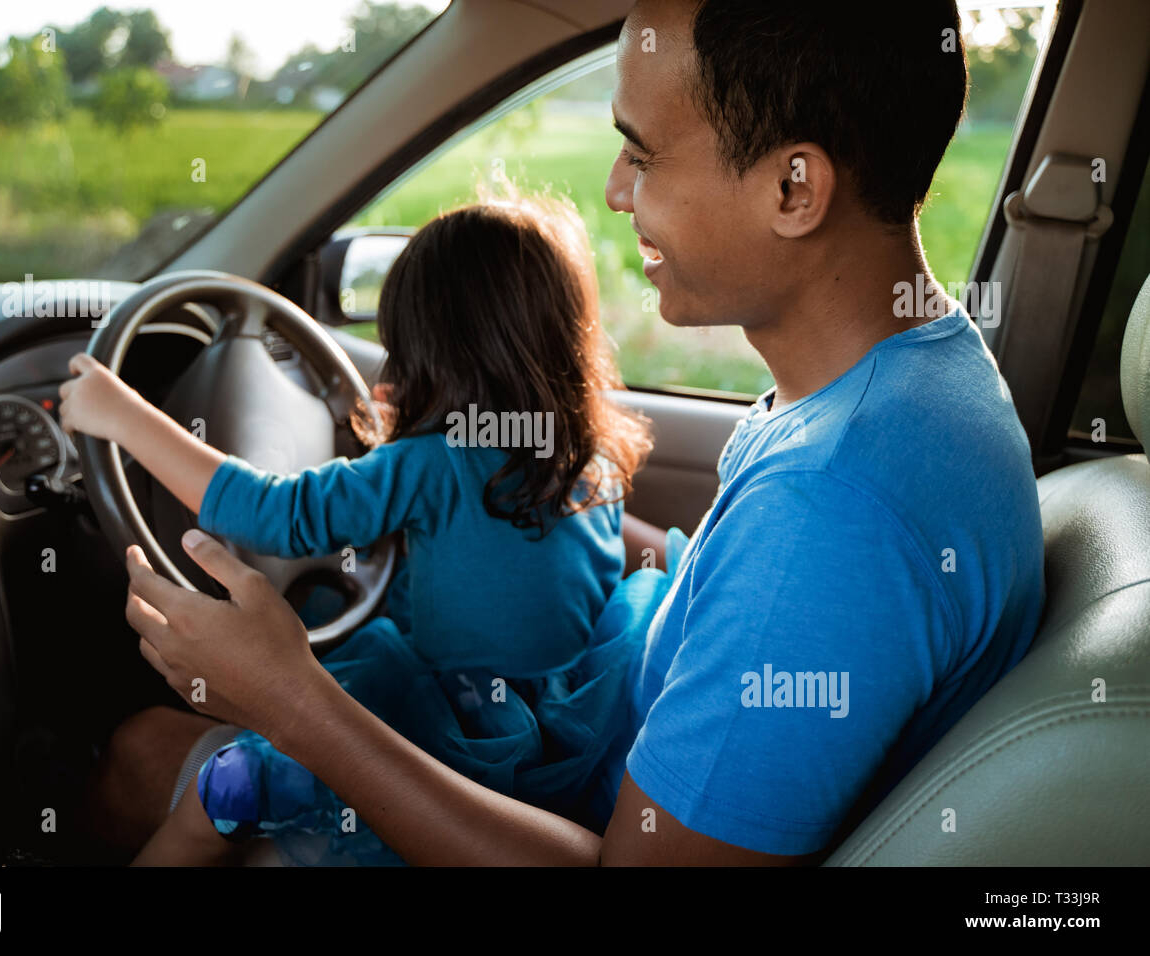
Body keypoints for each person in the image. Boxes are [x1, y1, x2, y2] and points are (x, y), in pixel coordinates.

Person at [88, 0, 1045, 865]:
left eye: (644, 152)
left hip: (568, 811)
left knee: (141, 759)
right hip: (588, 751)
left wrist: (292, 699)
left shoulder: (835, 512)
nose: (618, 191)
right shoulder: (910, 380)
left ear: (794, 188)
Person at [60, 194, 660, 864]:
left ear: (431, 353)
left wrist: (123, 416)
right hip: (566, 728)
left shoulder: (428, 463)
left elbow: (273, 513)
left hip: (441, 729)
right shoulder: (591, 456)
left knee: (221, 797)